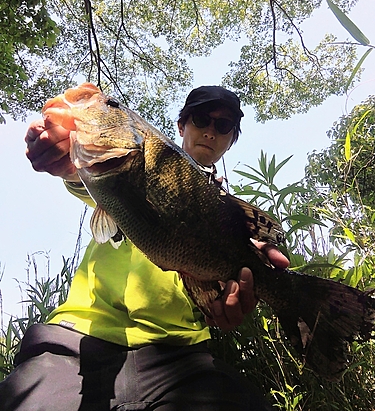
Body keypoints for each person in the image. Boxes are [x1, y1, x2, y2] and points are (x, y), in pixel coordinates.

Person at [0, 85, 289, 410]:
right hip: (78, 340)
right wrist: (69, 162)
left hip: (181, 358)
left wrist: (226, 300)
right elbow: (94, 181)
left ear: (231, 139)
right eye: (201, 119)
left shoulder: (231, 217)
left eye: (223, 126)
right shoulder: (133, 160)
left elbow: (222, 294)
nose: (210, 131)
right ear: (182, 125)